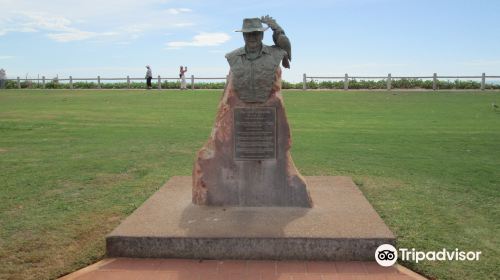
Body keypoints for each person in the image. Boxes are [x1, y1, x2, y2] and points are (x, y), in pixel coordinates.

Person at [225, 15, 291, 102]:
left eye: (256, 33)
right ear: (243, 36)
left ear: (262, 35)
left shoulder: (277, 54)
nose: (252, 37)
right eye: (248, 34)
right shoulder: (232, 56)